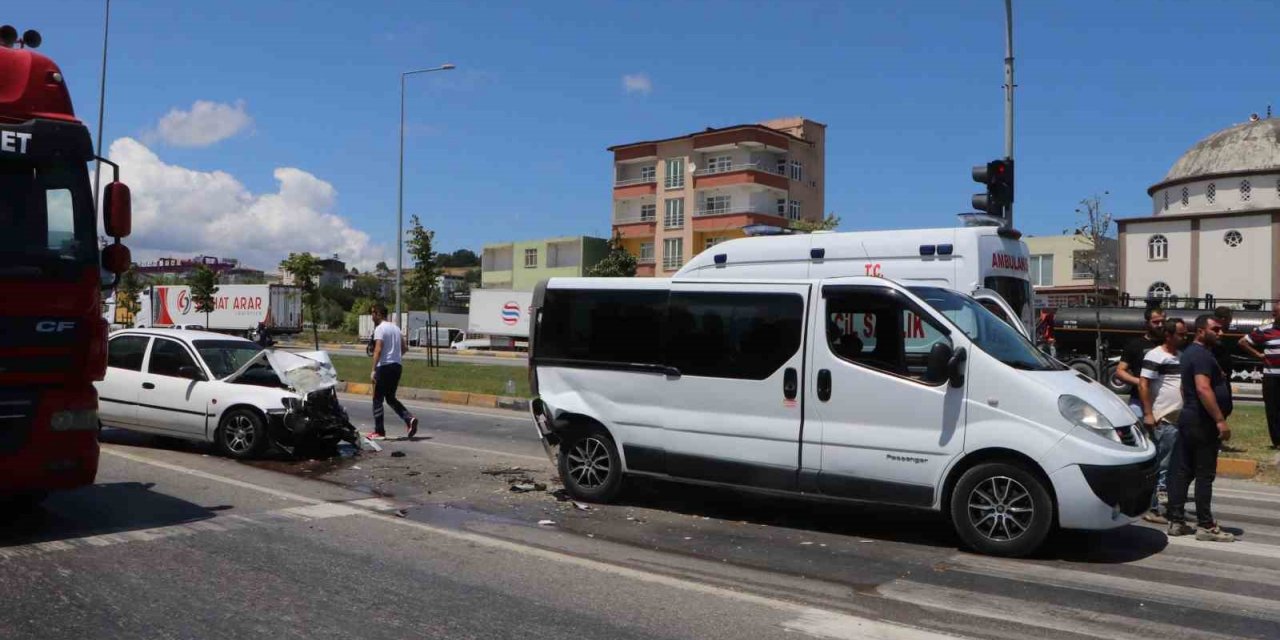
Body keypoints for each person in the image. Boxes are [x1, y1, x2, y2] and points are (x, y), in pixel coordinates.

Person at [1165, 314, 1235, 542]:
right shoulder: (1202, 355)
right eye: (1216, 329)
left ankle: (1176, 521)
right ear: (1201, 331)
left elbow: (1184, 389)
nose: (1221, 332)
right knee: (1204, 474)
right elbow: (1203, 388)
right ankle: (1206, 525)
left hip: (1190, 418)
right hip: (1202, 423)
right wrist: (1219, 420)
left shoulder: (1190, 354)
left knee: (1183, 471)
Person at [1137, 317, 1187, 524]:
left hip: (1178, 419)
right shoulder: (1155, 355)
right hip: (1163, 419)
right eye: (1180, 334)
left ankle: (1166, 506)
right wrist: (1148, 414)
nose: (1184, 337)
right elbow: (1143, 384)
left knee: (1173, 466)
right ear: (1168, 335)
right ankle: (1153, 508)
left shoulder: (1181, 356)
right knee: (1162, 465)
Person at [369, 303, 419, 440]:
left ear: (378, 314)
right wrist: (395, 357)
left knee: (377, 399)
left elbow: (378, 350)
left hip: (384, 367)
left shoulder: (380, 328)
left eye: (373, 313)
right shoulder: (396, 328)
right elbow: (404, 348)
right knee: (390, 398)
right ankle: (409, 419)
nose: (371, 316)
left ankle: (379, 431)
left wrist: (373, 370)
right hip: (397, 367)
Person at [1239, 300, 1280, 450]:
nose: (1277, 314)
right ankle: (1277, 441)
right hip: (1271, 376)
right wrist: (1258, 355)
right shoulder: (1264, 330)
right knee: (1273, 409)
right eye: (1277, 312)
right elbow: (1242, 342)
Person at [1117, 306, 1166, 418]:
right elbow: (1120, 371)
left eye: (1163, 322)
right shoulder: (1135, 344)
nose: (1160, 325)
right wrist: (1141, 382)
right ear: (1147, 323)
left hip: (1163, 402)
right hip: (1139, 400)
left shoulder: (1169, 344)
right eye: (1156, 322)